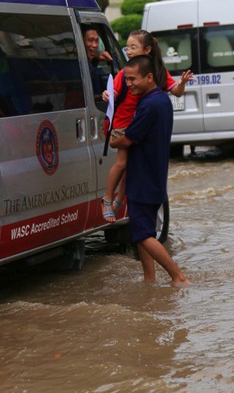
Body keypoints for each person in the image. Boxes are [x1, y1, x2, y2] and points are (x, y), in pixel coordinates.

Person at [109, 55, 191, 287]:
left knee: (143, 234)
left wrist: (113, 139)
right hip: (153, 174)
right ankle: (149, 279)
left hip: (143, 177)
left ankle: (178, 276)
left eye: (133, 79)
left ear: (149, 77)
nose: (129, 84)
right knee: (140, 230)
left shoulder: (149, 106)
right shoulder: (161, 100)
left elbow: (127, 139)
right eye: (126, 80)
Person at [101, 31, 193, 222]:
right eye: (127, 47)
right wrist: (107, 95)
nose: (129, 51)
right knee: (123, 163)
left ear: (148, 49)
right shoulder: (124, 72)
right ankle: (108, 199)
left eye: (133, 47)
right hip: (122, 126)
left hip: (139, 127)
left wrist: (182, 83)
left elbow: (176, 92)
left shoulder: (158, 71)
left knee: (131, 167)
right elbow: (113, 93)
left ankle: (119, 200)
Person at [82, 26, 113, 98]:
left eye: (96, 41)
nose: (95, 45)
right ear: (81, 41)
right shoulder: (82, 66)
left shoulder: (91, 62)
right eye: (90, 40)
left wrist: (97, 59)